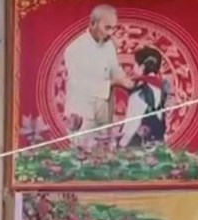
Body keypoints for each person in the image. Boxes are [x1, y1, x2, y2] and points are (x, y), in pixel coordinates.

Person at [63, 4, 135, 147]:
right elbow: (81, 85)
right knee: (83, 153)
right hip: (82, 112)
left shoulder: (108, 45)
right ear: (93, 23)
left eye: (113, 28)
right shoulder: (75, 49)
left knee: (104, 152)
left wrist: (128, 80)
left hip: (104, 109)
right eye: (107, 28)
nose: (111, 33)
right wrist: (114, 83)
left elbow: (115, 69)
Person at [119, 46, 169, 148]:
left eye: (135, 64)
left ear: (142, 67)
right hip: (157, 143)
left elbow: (132, 124)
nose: (133, 68)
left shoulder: (140, 92)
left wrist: (121, 145)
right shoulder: (161, 88)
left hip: (138, 147)